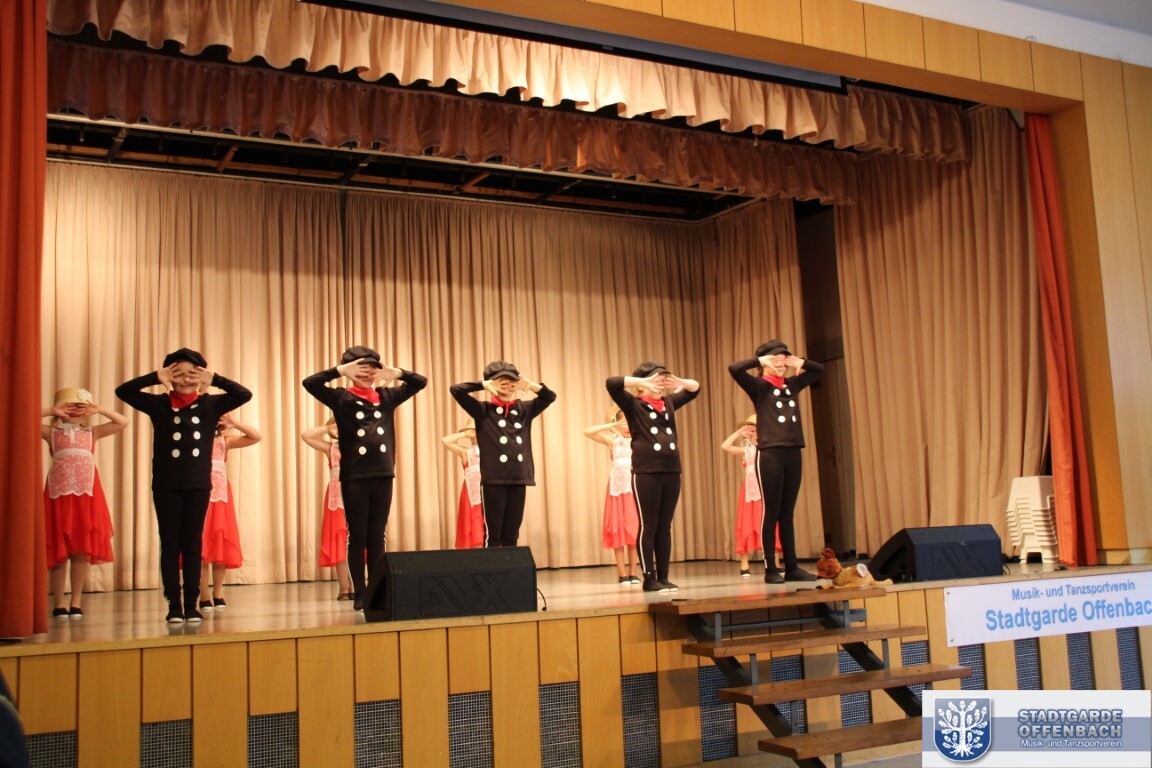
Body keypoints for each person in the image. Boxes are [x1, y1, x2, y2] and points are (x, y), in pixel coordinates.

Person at [116, 348, 252, 623]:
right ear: (169, 375)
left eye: (193, 373)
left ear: (202, 377)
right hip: (166, 484)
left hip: (198, 485)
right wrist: (155, 377)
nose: (186, 378)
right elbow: (124, 391)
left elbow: (243, 394)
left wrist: (215, 379)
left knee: (192, 544)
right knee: (170, 544)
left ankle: (192, 604)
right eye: (179, 372)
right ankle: (173, 606)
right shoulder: (159, 404)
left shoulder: (211, 404)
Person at [303, 346, 427, 611]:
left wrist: (397, 373)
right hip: (355, 476)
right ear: (349, 370)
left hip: (383, 473)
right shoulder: (341, 398)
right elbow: (310, 383)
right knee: (357, 536)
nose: (367, 372)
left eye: (372, 367)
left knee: (377, 535)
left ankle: (376, 589)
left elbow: (420, 382)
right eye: (360, 367)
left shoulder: (387, 396)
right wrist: (339, 371)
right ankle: (359, 591)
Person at [728, 340, 825, 583]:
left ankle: (792, 567)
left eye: (783, 358)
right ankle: (771, 568)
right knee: (770, 511)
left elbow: (819, 370)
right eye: (775, 359)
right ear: (764, 363)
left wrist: (800, 362)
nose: (780, 363)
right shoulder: (759, 386)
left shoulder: (792, 384)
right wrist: (760, 361)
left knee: (787, 513)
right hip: (770, 452)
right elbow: (735, 369)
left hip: (793, 451)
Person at [606, 361, 700, 592]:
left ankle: (664, 576)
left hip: (671, 470)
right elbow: (612, 383)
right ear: (642, 384)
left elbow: (695, 388)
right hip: (646, 471)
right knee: (649, 525)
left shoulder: (669, 402)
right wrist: (643, 382)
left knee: (664, 526)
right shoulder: (633, 404)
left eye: (663, 380)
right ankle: (649, 577)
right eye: (656, 379)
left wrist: (679, 382)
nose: (660, 384)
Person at [41, 387, 127, 619]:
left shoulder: (92, 433)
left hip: (86, 495)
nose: (74, 412)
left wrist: (98, 409)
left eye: (79, 408)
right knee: (59, 551)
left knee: (80, 550)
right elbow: (23, 420)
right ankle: (59, 602)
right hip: (58, 496)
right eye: (69, 407)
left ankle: (76, 601)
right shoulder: (51, 433)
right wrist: (51, 410)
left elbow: (122, 422)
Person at [450, 361, 556, 547]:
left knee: (511, 534)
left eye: (511, 381)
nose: (506, 385)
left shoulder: (524, 409)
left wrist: (528, 385)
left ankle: (510, 566)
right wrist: (483, 385)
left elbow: (550, 396)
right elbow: (456, 390)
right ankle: (493, 566)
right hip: (494, 479)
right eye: (501, 381)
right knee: (494, 535)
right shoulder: (483, 410)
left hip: (519, 477)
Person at [198, 413, 262, 612]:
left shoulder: (225, 441)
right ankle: (203, 595)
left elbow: (256, 436)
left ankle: (218, 593)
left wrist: (234, 423)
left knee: (220, 544)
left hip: (221, 497)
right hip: (199, 495)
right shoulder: (195, 439)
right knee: (201, 547)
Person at [583, 407, 640, 586]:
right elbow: (587, 431)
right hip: (617, 489)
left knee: (634, 530)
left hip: (634, 488)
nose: (627, 426)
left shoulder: (639, 440)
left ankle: (633, 572)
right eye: (624, 422)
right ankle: (622, 573)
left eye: (629, 422)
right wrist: (611, 425)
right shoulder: (613, 440)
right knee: (617, 529)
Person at [721, 415, 781, 578]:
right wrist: (739, 432)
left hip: (766, 490)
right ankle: (744, 563)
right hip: (750, 491)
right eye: (752, 430)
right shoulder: (746, 450)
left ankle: (775, 562)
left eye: (757, 430)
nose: (755, 433)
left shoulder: (768, 449)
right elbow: (725, 446)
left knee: (770, 522)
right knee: (746, 523)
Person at [301, 419, 354, 600]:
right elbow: (306, 436)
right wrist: (327, 428)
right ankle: (344, 588)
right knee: (339, 542)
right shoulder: (330, 448)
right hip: (335, 500)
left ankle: (358, 585)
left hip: (356, 498)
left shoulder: (359, 444)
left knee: (357, 541)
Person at [441, 421, 484, 549]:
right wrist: (464, 434)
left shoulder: (490, 450)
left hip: (487, 491)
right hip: (471, 493)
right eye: (472, 431)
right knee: (473, 522)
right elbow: (445, 441)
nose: (474, 433)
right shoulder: (465, 452)